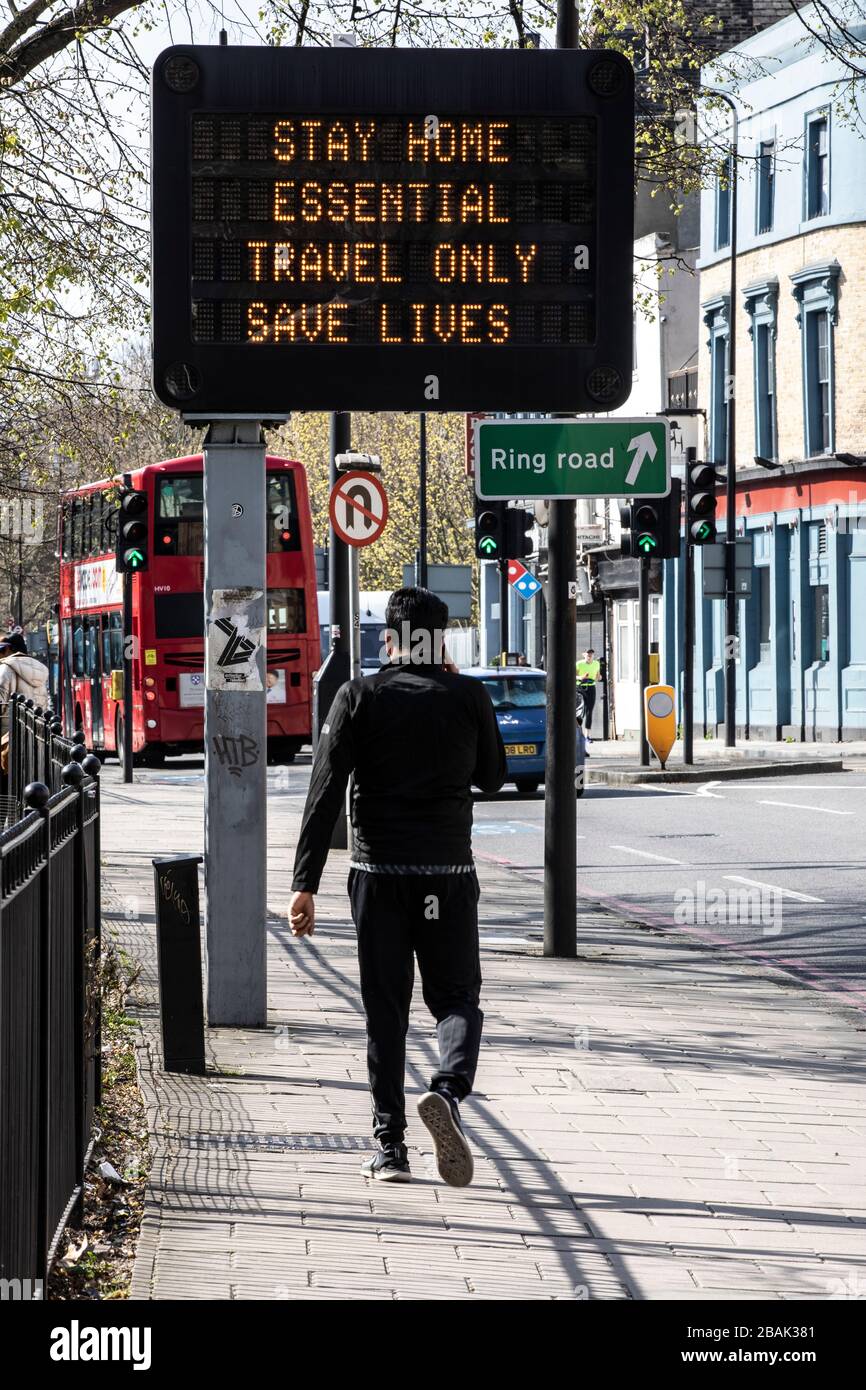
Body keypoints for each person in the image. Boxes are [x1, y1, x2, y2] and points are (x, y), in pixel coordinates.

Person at [288, 587, 506, 1186]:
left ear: (390, 639)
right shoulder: (468, 695)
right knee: (457, 998)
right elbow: (492, 778)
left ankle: (390, 1149)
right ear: (440, 642)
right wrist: (459, 696)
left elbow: (324, 790)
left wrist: (303, 882)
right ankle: (448, 1089)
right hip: (449, 875)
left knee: (386, 1012)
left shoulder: (359, 697)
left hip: (380, 877)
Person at [576, 646, 601, 732]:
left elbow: (598, 676)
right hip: (580, 688)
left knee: (589, 711)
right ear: (584, 655)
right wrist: (581, 677)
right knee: (580, 711)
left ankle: (588, 735)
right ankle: (578, 732)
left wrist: (599, 677)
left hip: (591, 687)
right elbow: (573, 676)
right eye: (588, 655)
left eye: (591, 655)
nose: (590, 656)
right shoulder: (579, 664)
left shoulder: (596, 664)